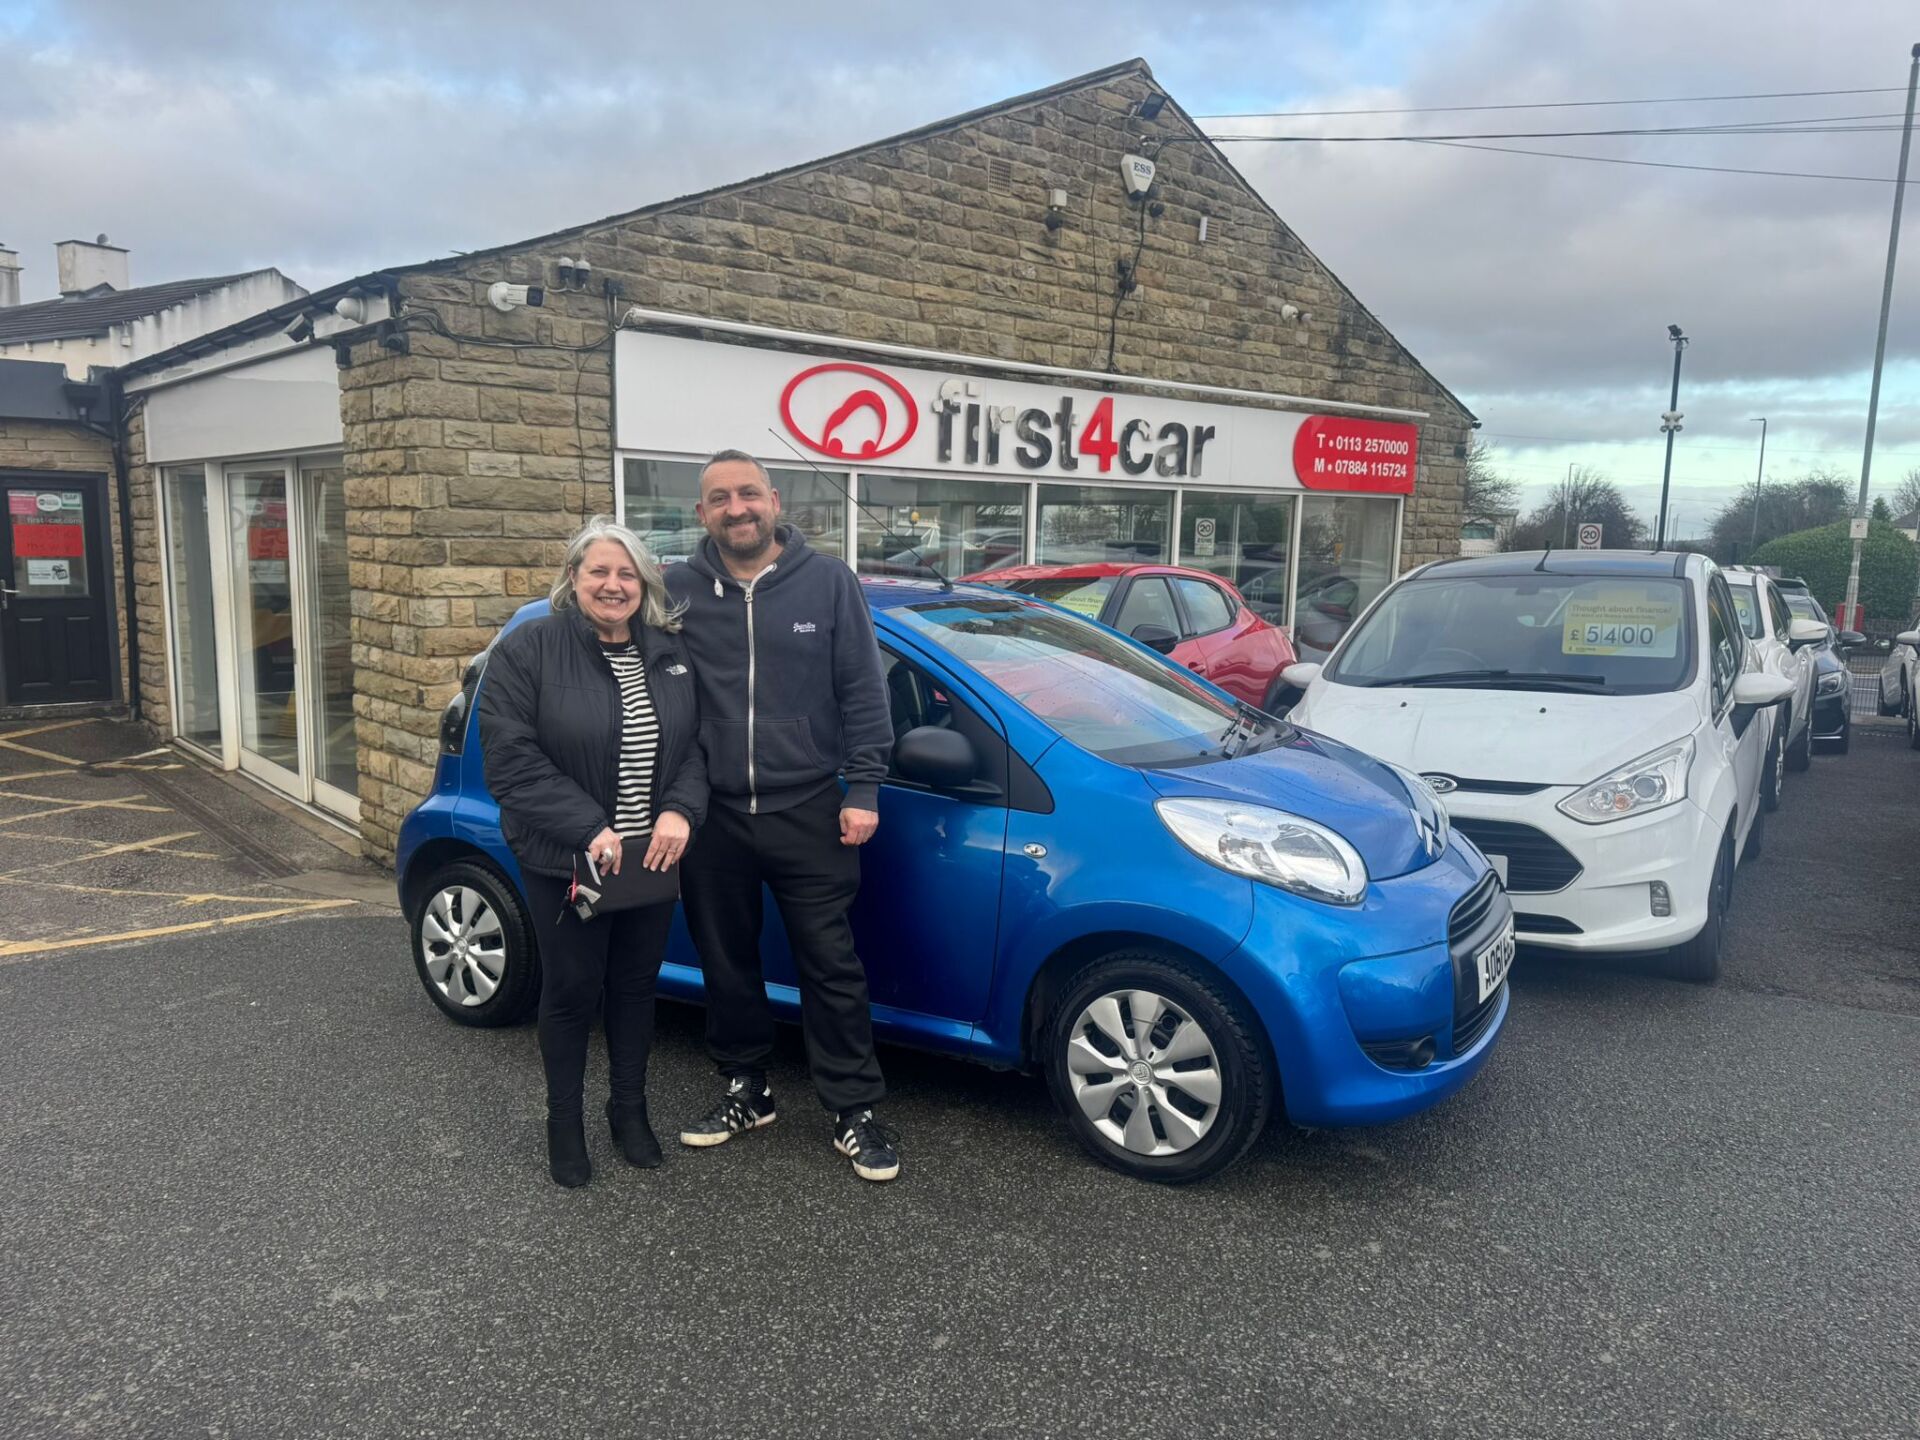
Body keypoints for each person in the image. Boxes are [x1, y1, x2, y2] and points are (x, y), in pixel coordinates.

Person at [664, 450, 902, 1182]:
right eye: (719, 499)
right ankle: (747, 1089)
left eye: (747, 494)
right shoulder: (674, 589)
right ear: (702, 513)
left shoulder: (828, 581)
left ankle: (853, 1109)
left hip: (809, 808)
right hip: (715, 815)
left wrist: (863, 789)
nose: (737, 509)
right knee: (726, 961)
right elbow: (640, 675)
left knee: (830, 966)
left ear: (773, 500)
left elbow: (864, 689)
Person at [479, 517, 707, 1188]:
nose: (613, 584)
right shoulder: (530, 649)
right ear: (573, 578)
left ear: (644, 584)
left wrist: (678, 811)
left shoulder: (670, 653)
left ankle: (628, 1112)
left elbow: (696, 746)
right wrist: (588, 828)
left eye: (626, 573)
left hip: (650, 859)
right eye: (598, 571)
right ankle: (564, 1122)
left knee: (636, 989)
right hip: (568, 860)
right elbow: (511, 762)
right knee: (573, 990)